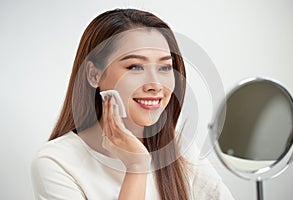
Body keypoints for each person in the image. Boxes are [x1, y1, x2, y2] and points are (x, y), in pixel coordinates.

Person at [31, 8, 234, 200]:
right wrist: (137, 166)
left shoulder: (178, 147)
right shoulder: (56, 162)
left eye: (164, 67)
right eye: (135, 67)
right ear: (94, 74)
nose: (155, 85)